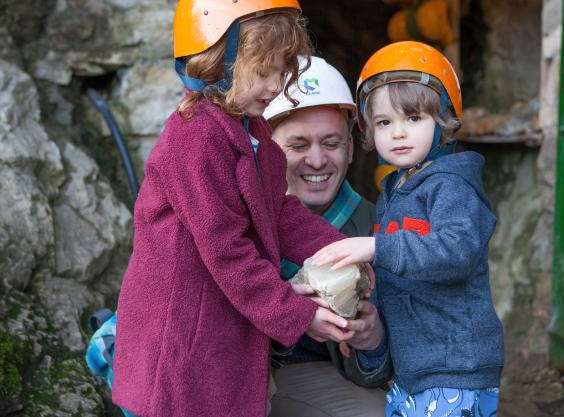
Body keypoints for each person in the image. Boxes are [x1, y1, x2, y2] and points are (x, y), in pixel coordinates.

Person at [110, 2, 358, 416]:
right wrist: (296, 314)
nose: (275, 85)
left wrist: (342, 250)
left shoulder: (253, 130)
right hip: (179, 343)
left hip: (215, 333)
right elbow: (226, 250)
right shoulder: (195, 136)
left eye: (282, 72)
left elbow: (279, 213)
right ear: (215, 63)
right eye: (263, 72)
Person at [313, 41, 504, 417]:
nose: (398, 133)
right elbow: (398, 275)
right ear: (369, 129)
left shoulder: (452, 185)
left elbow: (456, 251)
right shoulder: (396, 191)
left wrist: (377, 248)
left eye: (413, 118)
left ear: (445, 118)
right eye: (385, 122)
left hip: (454, 367)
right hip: (414, 370)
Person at [263, 55, 391, 417]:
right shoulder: (241, 218)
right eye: (298, 145)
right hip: (237, 370)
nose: (317, 160)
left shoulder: (378, 228)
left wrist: (373, 339)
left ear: (350, 148)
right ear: (267, 150)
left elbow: (395, 362)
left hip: (319, 379)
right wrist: (282, 312)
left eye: (331, 143)